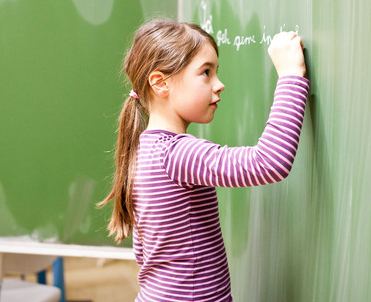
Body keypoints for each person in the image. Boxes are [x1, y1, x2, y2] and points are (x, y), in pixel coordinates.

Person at [98, 19, 309, 302]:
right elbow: (268, 162)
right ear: (161, 83)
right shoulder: (176, 154)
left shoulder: (141, 150)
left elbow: (144, 249)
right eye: (206, 73)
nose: (219, 85)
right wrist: (291, 76)